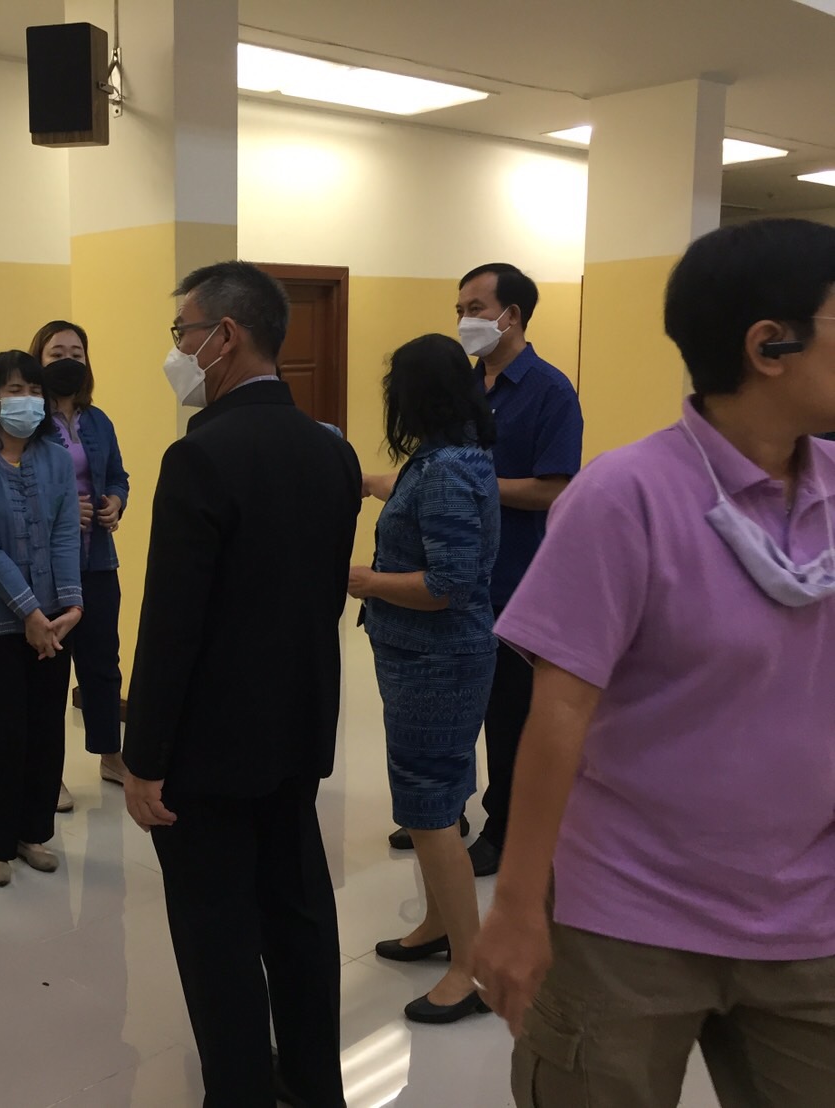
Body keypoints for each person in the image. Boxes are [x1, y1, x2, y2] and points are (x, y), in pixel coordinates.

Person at [471, 218, 835, 1107]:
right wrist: (517, 905)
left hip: (807, 916)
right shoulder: (626, 496)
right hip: (625, 918)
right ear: (769, 347)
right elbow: (558, 713)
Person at [124, 262, 362, 1107]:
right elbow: (319, 598)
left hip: (209, 750)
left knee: (216, 933)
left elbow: (172, 626)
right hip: (298, 731)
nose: (177, 351)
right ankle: (315, 1084)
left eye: (182, 333)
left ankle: (240, 1093)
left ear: (224, 337)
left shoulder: (200, 457)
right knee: (298, 914)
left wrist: (143, 757)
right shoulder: (332, 453)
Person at [370, 263, 583, 875]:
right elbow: (435, 468)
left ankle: (505, 828)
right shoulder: (462, 383)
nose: (465, 320)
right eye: (459, 310)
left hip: (515, 581)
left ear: (511, 315)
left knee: (507, 716)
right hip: (448, 584)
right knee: (453, 708)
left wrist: (470, 486)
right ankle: (445, 812)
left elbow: (555, 490)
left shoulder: (549, 391)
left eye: (475, 308)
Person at [347, 334, 500, 1024]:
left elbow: (447, 584)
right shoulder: (450, 458)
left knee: (430, 810)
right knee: (432, 800)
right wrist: (373, 483)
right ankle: (440, 925)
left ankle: (471, 969)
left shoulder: (444, 471)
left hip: (436, 661)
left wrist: (366, 581)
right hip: (427, 659)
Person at [0, 350, 83, 886]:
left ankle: (34, 834)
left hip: (55, 623)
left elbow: (66, 533)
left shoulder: (56, 459)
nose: (25, 399)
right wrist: (30, 612)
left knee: (47, 731)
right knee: (5, 734)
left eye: (33, 390)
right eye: (13, 390)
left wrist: (71, 606)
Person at [29, 320, 131, 810]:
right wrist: (66, 508)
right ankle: (48, 773)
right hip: (48, 569)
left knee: (103, 663)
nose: (68, 361)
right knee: (49, 672)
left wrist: (115, 501)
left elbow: (118, 477)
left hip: (98, 562)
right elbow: (18, 487)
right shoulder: (27, 421)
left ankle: (111, 755)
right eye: (56, 353)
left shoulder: (98, 420)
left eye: (76, 353)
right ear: (38, 360)